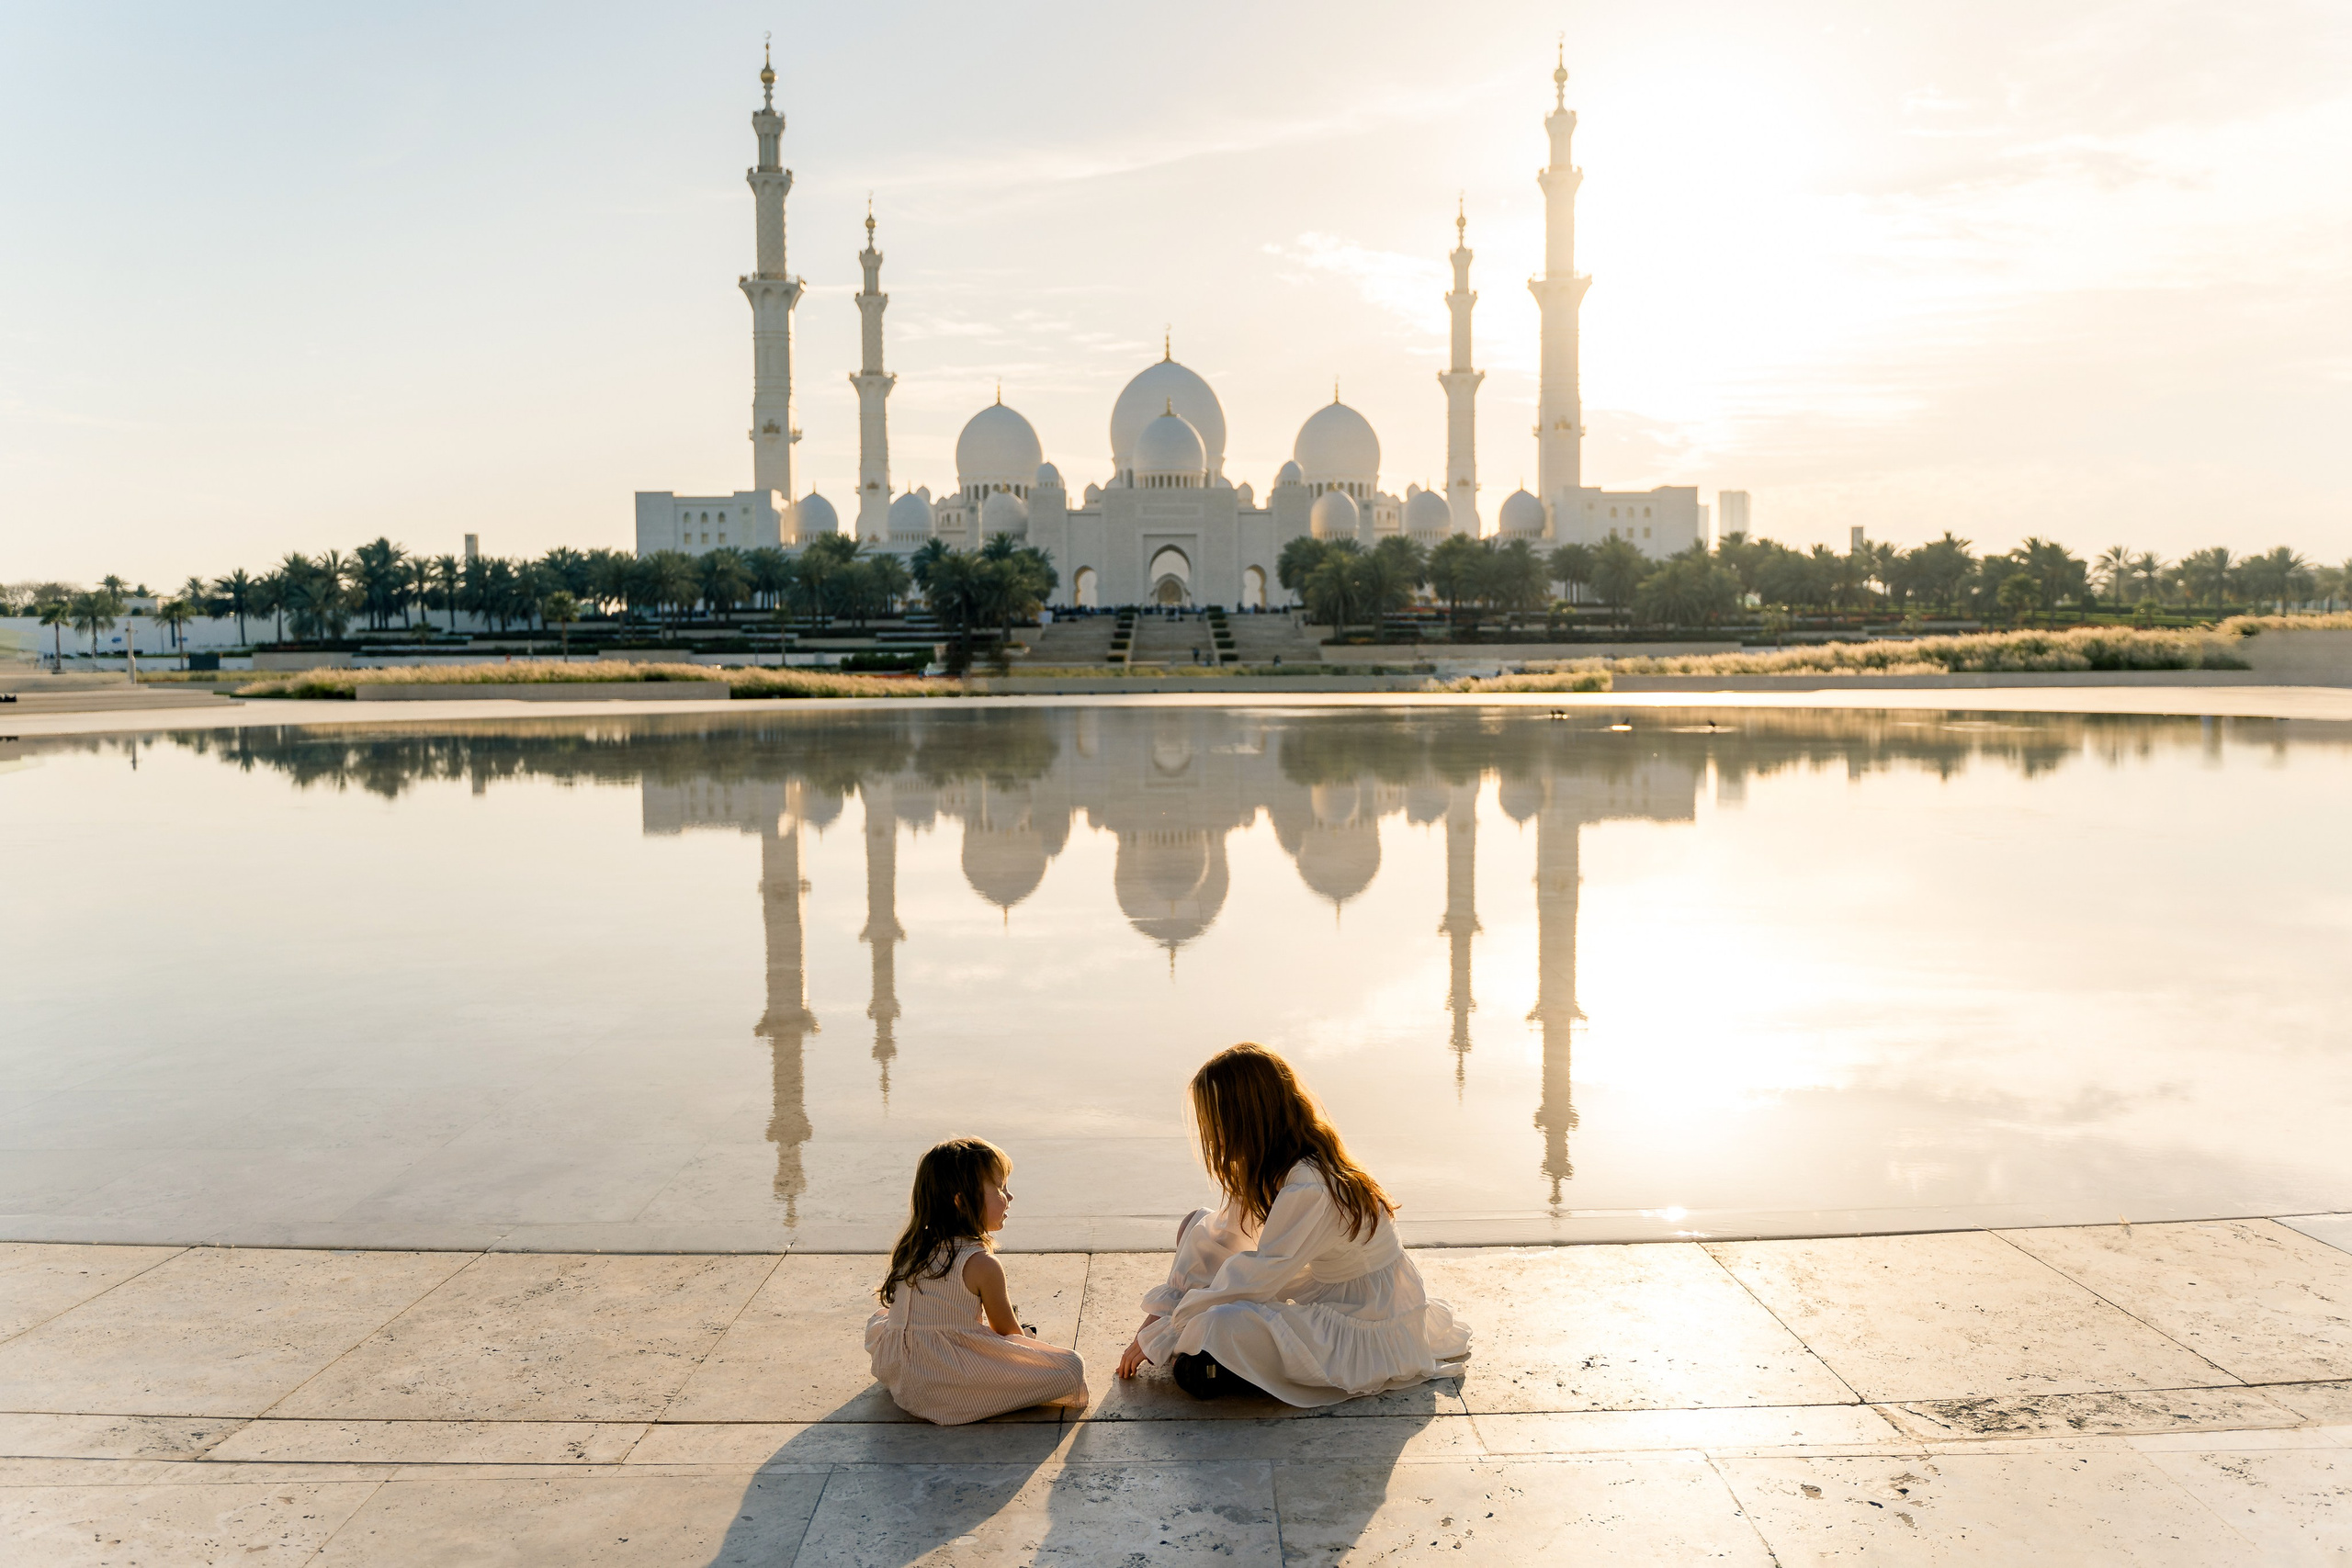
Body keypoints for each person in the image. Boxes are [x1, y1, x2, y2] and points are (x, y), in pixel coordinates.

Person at [1114, 1043, 1471, 1405]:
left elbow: (1260, 1276)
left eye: (1216, 1122)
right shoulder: (1272, 1163)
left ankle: (1216, 1362)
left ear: (1246, 1119)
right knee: (1198, 1226)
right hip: (1323, 1287)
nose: (1212, 1135)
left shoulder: (1310, 1184)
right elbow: (1228, 1238)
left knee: (1218, 1323)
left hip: (1363, 1313)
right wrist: (1155, 1325)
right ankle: (1214, 1358)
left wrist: (1168, 1331)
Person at [865, 1136, 1088, 1425]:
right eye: (1000, 1188)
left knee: (882, 1320)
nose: (1009, 1197)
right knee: (1071, 1368)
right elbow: (1009, 1334)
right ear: (961, 1201)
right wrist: (1024, 1342)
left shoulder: (913, 1250)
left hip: (899, 1371)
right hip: (946, 1380)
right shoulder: (981, 1264)